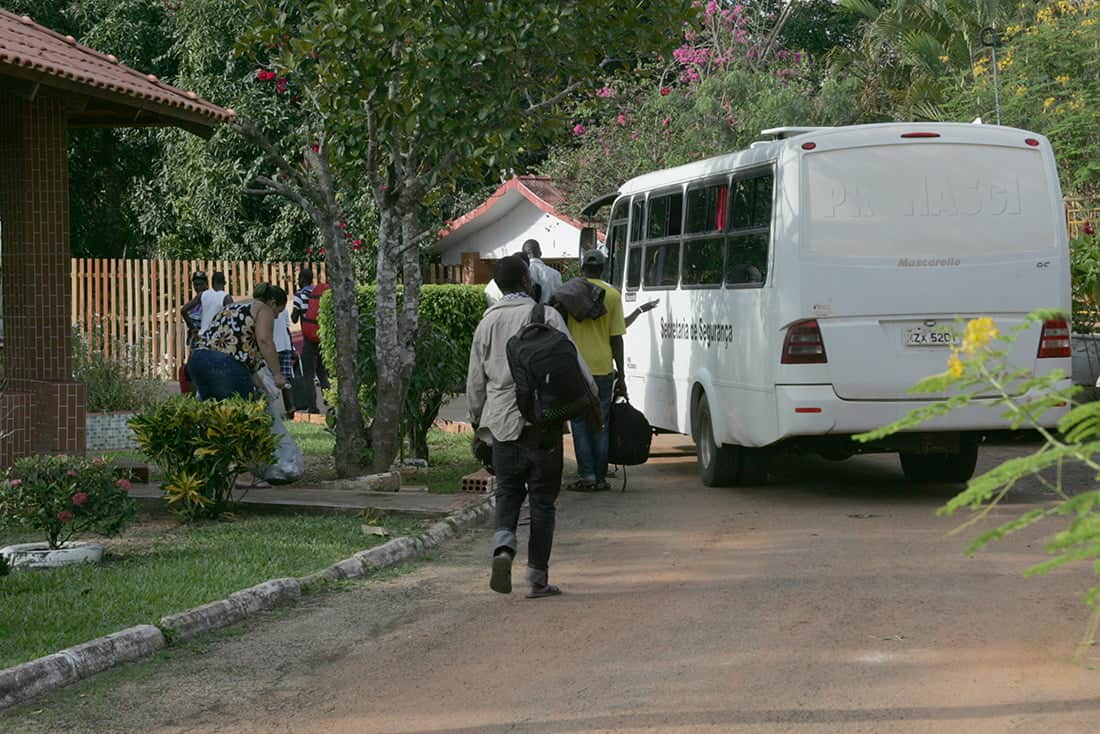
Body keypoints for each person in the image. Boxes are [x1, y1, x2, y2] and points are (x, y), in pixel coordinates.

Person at [467, 254, 596, 599]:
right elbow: (574, 363)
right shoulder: (546, 315)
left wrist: (478, 421)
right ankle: (537, 578)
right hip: (545, 422)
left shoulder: (486, 324)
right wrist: (591, 398)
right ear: (526, 280)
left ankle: (503, 549)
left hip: (503, 425)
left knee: (508, 492)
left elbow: (475, 382)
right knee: (542, 502)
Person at [565, 249, 626, 492]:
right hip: (602, 368)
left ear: (582, 269)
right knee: (601, 423)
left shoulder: (569, 293)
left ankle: (587, 475)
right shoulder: (612, 295)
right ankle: (600, 477)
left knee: (579, 422)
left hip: (576, 368)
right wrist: (621, 373)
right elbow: (616, 339)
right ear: (604, 269)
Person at [187, 282, 289, 401]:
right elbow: (264, 340)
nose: (276, 317)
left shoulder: (234, 306)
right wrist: (277, 375)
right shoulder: (263, 308)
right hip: (223, 364)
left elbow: (248, 365)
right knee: (240, 412)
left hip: (198, 360)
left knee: (212, 412)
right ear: (272, 303)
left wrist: (263, 389)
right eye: (278, 312)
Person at [291, 268, 330, 412]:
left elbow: (294, 318)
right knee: (322, 372)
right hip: (321, 336)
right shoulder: (318, 294)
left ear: (301, 280)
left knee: (308, 373)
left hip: (308, 339)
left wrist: (297, 313)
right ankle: (330, 403)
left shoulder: (300, 295)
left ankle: (313, 407)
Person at [273, 304, 297, 418]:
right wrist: (292, 348)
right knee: (286, 380)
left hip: (270, 348)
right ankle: (290, 409)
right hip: (285, 345)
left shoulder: (261, 309)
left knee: (266, 380)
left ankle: (269, 409)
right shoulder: (283, 309)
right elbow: (287, 330)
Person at [521, 239, 562, 305]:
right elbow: (560, 297)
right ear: (540, 253)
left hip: (531, 312)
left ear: (524, 255)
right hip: (552, 312)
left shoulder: (524, 272)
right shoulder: (556, 274)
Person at [179, 271, 208, 349]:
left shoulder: (204, 296)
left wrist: (192, 327)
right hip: (197, 336)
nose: (198, 287)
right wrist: (192, 328)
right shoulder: (197, 300)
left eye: (200, 284)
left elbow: (183, 310)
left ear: (206, 284)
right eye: (195, 285)